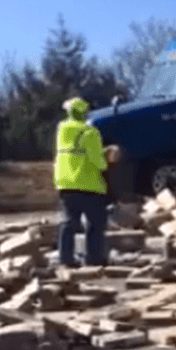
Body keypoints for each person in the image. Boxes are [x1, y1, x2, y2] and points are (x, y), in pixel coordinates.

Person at [54, 97, 110, 267]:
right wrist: (106, 162)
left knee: (68, 223)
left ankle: (65, 258)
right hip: (88, 184)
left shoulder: (62, 130)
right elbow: (96, 160)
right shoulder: (89, 133)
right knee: (95, 223)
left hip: (65, 183)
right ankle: (94, 258)